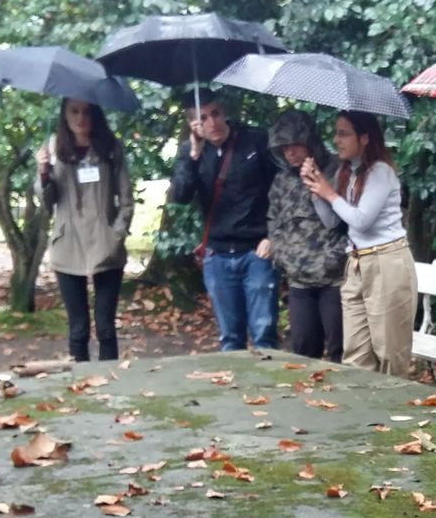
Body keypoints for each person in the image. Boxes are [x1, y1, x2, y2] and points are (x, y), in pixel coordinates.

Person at [303, 111, 415, 375]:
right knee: (355, 355)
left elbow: (361, 220)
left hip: (386, 262)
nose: (336, 139)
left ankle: (395, 412)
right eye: (336, 133)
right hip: (357, 264)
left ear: (364, 138)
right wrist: (316, 191)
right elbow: (334, 222)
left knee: (389, 353)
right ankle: (366, 414)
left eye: (344, 133)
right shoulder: (348, 172)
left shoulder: (381, 172)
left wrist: (329, 193)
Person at [169, 93, 278, 351]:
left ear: (224, 112)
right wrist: (193, 155)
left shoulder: (254, 141)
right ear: (192, 124)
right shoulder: (191, 152)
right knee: (230, 338)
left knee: (264, 334)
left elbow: (279, 190)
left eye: (215, 113)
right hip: (217, 254)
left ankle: (270, 388)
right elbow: (181, 196)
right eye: (202, 118)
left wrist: (273, 236)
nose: (212, 123)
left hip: (256, 251)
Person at [37, 99, 132, 362]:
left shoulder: (110, 148)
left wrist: (117, 234)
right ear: (64, 115)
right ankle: (79, 389)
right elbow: (47, 203)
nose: (81, 118)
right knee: (78, 329)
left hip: (106, 245)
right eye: (74, 111)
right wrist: (43, 173)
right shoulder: (53, 148)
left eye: (87, 112)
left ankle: (110, 386)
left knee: (105, 327)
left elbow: (126, 199)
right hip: (68, 245)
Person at [266, 111, 346, 361]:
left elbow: (349, 221)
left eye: (294, 145)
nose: (289, 153)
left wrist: (333, 260)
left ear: (310, 142)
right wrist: (281, 256)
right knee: (302, 352)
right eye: (283, 148)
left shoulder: (337, 170)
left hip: (334, 279)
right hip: (298, 279)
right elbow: (274, 221)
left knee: (340, 351)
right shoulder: (281, 180)